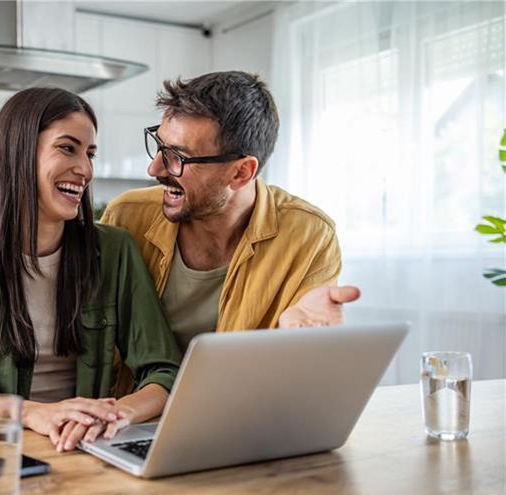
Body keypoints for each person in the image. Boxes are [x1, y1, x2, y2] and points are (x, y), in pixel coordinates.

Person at [0, 87, 181, 452]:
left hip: (85, 448)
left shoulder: (113, 251)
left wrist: (116, 414)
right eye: (67, 148)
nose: (85, 170)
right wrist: (33, 414)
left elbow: (165, 372)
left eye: (90, 153)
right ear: (19, 152)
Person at [101, 71, 361, 359]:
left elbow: (304, 368)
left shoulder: (310, 235)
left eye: (178, 157)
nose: (155, 169)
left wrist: (308, 345)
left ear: (241, 172)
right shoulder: (127, 217)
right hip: (136, 404)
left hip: (246, 404)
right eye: (159, 146)